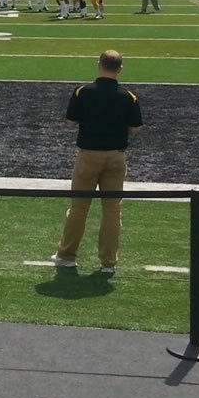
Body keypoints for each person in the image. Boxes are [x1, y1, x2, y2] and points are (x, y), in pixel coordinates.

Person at [51, 49, 143, 275]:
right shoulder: (128, 96)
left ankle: (67, 255)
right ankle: (108, 262)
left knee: (79, 207)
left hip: (88, 155)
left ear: (99, 64)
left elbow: (70, 123)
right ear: (120, 69)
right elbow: (135, 129)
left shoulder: (83, 92)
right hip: (116, 156)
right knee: (112, 210)